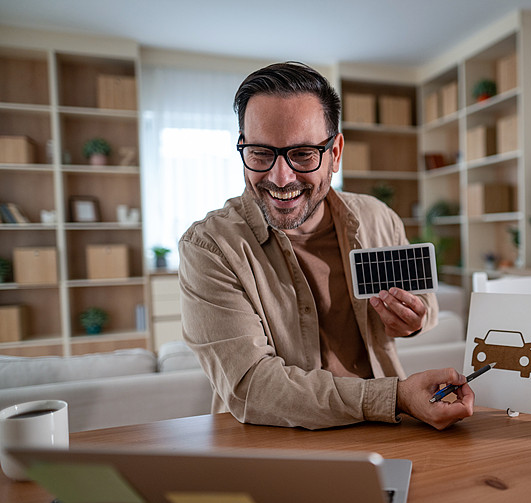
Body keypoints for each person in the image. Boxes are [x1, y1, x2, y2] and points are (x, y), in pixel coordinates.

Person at [179, 62, 474, 430]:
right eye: (260, 153)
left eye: (303, 154)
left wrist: (413, 320)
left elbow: (424, 302)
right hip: (273, 443)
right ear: (242, 145)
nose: (280, 177)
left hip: (384, 432)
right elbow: (251, 387)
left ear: (335, 152)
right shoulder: (209, 248)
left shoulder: (378, 218)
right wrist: (393, 397)